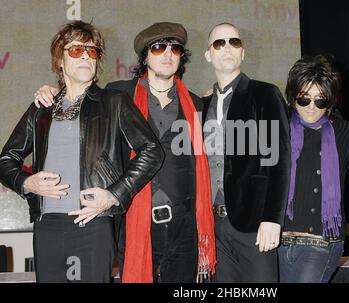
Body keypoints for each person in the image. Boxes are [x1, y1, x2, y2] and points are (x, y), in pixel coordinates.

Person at [34, 22, 216, 283]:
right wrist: (52, 93)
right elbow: (81, 95)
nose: (167, 54)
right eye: (158, 48)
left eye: (175, 49)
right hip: (133, 222)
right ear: (144, 57)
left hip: (183, 227)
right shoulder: (119, 94)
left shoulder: (196, 104)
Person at [0, 20, 164, 282]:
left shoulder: (114, 102)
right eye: (76, 50)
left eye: (92, 51)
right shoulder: (42, 108)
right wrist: (27, 182)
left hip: (92, 222)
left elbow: (152, 150)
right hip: (47, 224)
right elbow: (6, 159)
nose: (86, 55)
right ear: (60, 61)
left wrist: (113, 195)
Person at [202, 23, 290, 282]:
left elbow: (279, 160)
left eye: (234, 42)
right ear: (209, 55)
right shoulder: (201, 103)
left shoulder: (265, 94)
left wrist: (273, 219)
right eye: (219, 43)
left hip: (254, 223)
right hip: (212, 226)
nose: (227, 47)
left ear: (243, 52)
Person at [279, 55, 349, 283]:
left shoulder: (345, 134)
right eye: (305, 100)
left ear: (330, 101)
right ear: (293, 97)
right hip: (277, 241)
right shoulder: (278, 127)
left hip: (322, 243)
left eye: (320, 101)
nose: (312, 107)